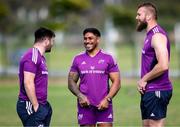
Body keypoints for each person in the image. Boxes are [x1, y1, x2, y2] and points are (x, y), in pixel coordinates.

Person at [68, 28, 121, 127]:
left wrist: (107, 99)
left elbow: (117, 82)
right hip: (85, 106)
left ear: (98, 39)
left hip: (104, 105)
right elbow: (71, 82)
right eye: (85, 38)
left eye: (90, 38)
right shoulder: (77, 59)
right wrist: (80, 96)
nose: (87, 41)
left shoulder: (108, 58)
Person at [136, 2, 173, 127]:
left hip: (157, 89)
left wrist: (143, 79)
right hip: (149, 91)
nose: (136, 18)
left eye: (139, 14)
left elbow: (163, 65)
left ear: (148, 16)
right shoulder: (150, 35)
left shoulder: (157, 35)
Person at [16, 27, 55, 127]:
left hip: (41, 105)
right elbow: (28, 82)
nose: (53, 44)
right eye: (52, 40)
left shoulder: (40, 57)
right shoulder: (32, 56)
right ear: (46, 40)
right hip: (30, 105)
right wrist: (36, 105)